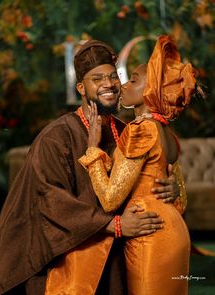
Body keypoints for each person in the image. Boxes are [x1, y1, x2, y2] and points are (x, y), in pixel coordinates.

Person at [0, 39, 182, 295]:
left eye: (113, 77)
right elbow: (48, 198)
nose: (108, 85)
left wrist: (173, 188)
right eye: (97, 79)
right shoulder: (56, 137)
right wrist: (113, 225)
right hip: (70, 259)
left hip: (121, 256)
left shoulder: (129, 132)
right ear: (81, 87)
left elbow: (159, 172)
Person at [79, 35, 195, 295]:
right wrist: (175, 189)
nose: (122, 85)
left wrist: (92, 150)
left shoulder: (140, 130)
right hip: (174, 231)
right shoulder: (167, 132)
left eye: (132, 79)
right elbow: (180, 201)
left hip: (150, 235)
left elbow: (109, 199)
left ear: (150, 89)